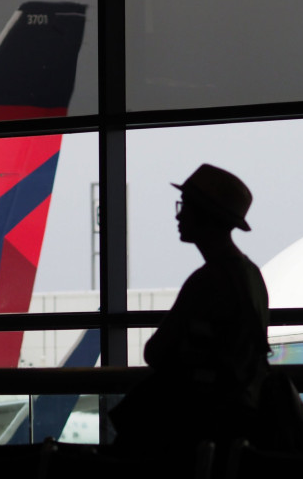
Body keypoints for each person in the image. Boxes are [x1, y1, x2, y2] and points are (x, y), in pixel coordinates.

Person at [110, 164, 271, 458]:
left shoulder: (207, 281)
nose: (178, 215)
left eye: (186, 207)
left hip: (198, 427)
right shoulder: (251, 275)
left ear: (206, 215)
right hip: (237, 421)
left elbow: (156, 352)